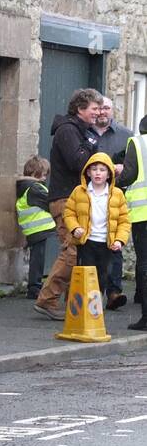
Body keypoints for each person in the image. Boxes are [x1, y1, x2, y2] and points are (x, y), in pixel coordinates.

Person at [35, 88, 103, 320]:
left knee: (78, 251)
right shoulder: (68, 131)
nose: (98, 113)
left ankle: (70, 303)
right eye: (94, 108)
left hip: (74, 198)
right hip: (66, 199)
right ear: (80, 109)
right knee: (71, 251)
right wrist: (91, 143)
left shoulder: (80, 131)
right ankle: (47, 299)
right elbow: (78, 162)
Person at [63, 152, 130, 304]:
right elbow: (68, 212)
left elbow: (124, 220)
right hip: (87, 241)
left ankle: (95, 308)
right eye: (94, 169)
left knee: (102, 276)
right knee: (86, 274)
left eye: (102, 170)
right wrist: (75, 228)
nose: (98, 173)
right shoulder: (79, 191)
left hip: (107, 243)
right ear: (88, 172)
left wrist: (120, 240)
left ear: (109, 174)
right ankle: (81, 307)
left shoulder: (117, 194)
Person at [94, 97, 131, 308]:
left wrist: (123, 168)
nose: (102, 112)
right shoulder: (85, 133)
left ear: (112, 110)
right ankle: (91, 292)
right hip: (90, 197)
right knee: (91, 248)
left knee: (115, 244)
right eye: (99, 108)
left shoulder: (125, 135)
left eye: (106, 108)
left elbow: (135, 164)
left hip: (116, 196)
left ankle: (114, 293)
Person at [116, 115, 147, 330]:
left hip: (143, 214)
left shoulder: (138, 142)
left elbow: (129, 176)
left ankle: (146, 318)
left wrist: (113, 178)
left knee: (145, 264)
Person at [14, 155, 57, 299]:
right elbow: (51, 201)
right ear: (34, 174)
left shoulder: (24, 187)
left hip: (32, 229)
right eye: (42, 175)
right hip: (40, 229)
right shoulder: (34, 188)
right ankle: (34, 288)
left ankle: (34, 286)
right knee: (38, 259)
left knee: (36, 258)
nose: (44, 178)